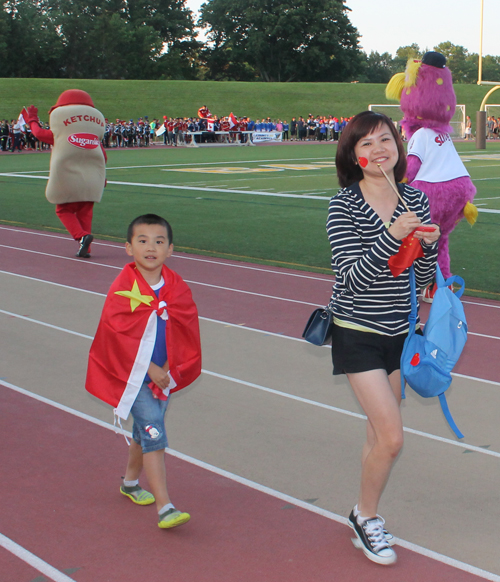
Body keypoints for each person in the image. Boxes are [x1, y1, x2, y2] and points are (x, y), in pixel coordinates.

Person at [326, 111, 439, 565]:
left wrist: (428, 247)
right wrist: (392, 236)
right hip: (357, 331)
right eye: (367, 143)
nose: (379, 149)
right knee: (393, 438)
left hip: (400, 333)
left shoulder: (415, 199)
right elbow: (351, 280)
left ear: (398, 146)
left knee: (378, 433)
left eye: (386, 139)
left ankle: (362, 512)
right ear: (354, 155)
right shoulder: (343, 205)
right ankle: (366, 516)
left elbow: (425, 281)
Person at [86, 214, 202, 529]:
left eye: (159, 241)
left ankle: (130, 483)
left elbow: (185, 329)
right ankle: (165, 506)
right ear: (128, 248)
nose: (151, 247)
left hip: (163, 376)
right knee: (153, 430)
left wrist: (168, 368)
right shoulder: (123, 289)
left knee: (144, 431)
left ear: (170, 249)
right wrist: (149, 368)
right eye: (142, 240)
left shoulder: (176, 288)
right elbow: (115, 334)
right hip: (133, 377)